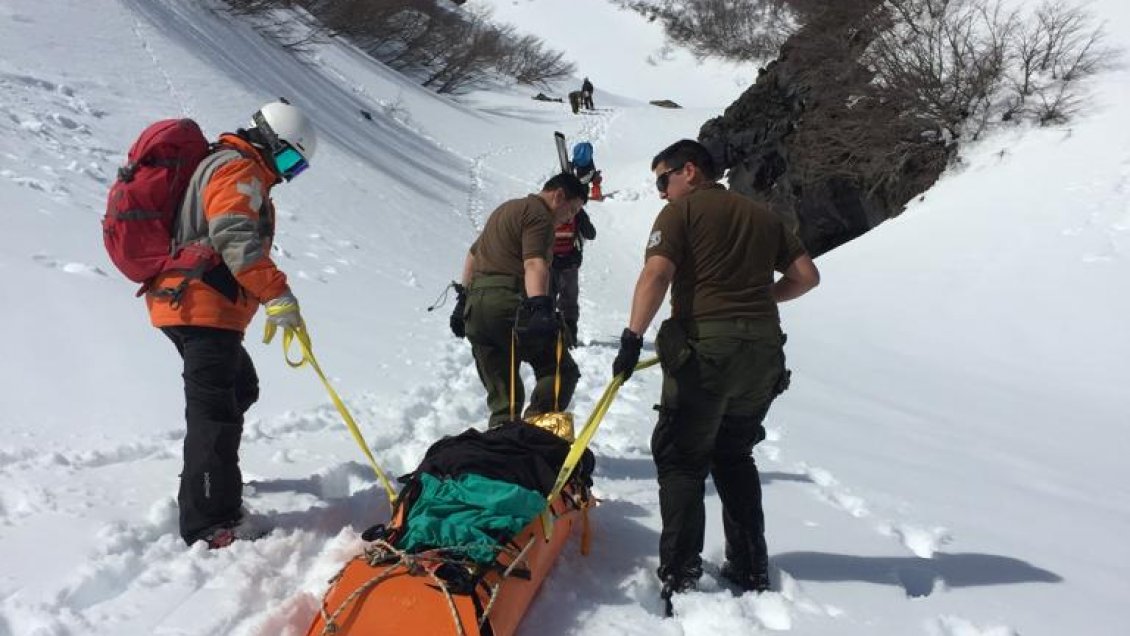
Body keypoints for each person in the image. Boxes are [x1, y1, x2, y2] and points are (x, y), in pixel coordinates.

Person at [611, 139, 820, 615]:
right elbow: (807, 276)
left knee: (682, 460)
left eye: (663, 179)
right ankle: (749, 565)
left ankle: (681, 574)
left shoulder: (680, 214)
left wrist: (631, 338)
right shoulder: (762, 215)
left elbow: (656, 275)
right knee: (734, 454)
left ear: (689, 170)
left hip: (709, 352)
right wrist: (761, 298)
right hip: (764, 354)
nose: (662, 192)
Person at [146, 100, 317, 549]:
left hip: (194, 304)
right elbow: (234, 235)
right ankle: (209, 521)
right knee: (214, 415)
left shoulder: (226, 165)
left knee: (241, 389)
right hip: (203, 305)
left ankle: (209, 476)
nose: (285, 174)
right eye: (288, 160)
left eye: (295, 169)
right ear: (271, 140)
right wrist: (277, 295)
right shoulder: (239, 169)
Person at [450, 173, 588, 428]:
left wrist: (463, 301)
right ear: (558, 196)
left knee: (505, 400)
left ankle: (502, 446)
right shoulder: (540, 216)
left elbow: (472, 256)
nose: (571, 218)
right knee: (559, 370)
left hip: (477, 311)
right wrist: (540, 307)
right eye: (573, 209)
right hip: (508, 305)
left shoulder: (506, 210)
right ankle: (534, 433)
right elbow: (534, 262)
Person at [551, 208, 596, 346]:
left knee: (558, 299)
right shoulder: (574, 211)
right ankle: (562, 336)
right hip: (559, 262)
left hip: (561, 261)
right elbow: (590, 233)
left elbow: (591, 233)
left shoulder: (575, 211)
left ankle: (564, 336)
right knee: (561, 299)